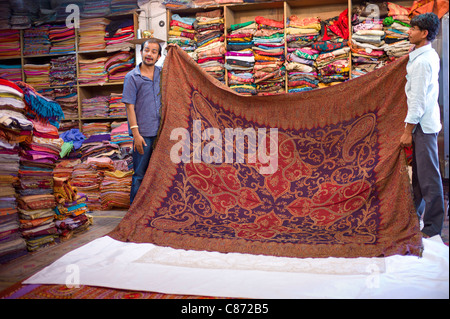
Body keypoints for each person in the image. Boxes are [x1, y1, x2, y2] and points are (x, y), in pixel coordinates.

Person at [400, 12, 444, 238]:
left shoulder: (422, 62)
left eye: (413, 28)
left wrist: (408, 131)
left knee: (428, 178)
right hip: (425, 125)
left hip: (422, 127)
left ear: (424, 33)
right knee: (418, 177)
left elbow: (417, 100)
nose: (409, 31)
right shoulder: (425, 55)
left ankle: (433, 227)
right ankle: (414, 219)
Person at [122, 38, 162, 204]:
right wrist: (136, 134)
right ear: (140, 53)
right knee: (140, 174)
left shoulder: (162, 74)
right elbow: (129, 107)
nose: (149, 54)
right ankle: (134, 213)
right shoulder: (132, 77)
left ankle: (151, 210)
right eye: (146, 50)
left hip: (161, 133)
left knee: (158, 175)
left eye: (154, 51)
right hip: (143, 134)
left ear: (159, 56)